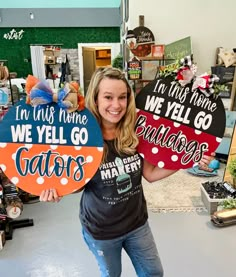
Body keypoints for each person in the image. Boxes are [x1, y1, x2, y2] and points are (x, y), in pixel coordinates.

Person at [40, 67, 214, 277]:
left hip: (136, 223)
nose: (116, 105)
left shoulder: (136, 130)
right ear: (96, 99)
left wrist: (189, 159)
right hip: (101, 230)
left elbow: (149, 173)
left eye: (122, 97)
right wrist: (56, 189)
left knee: (153, 272)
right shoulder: (83, 136)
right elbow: (78, 184)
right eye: (108, 97)